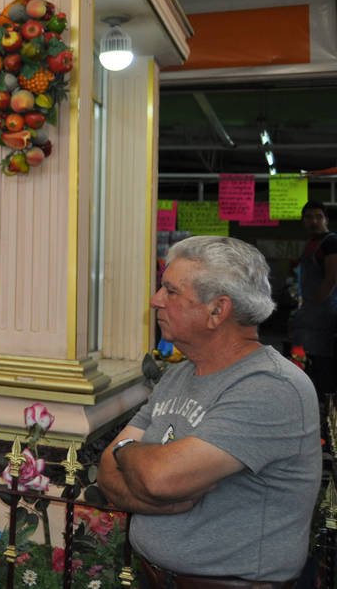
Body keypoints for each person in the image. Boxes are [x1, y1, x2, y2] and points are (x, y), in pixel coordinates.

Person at [98, 236, 319, 587]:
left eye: (171, 291)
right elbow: (107, 472)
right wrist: (147, 485)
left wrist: (126, 452)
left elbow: (159, 478)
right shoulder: (179, 375)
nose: (156, 300)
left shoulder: (271, 386)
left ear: (217, 310)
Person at [290, 200, 337, 398]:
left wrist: (314, 306)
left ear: (326, 219)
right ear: (303, 221)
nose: (314, 221)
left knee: (323, 367)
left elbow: (332, 279)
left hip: (324, 315)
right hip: (310, 317)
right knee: (303, 363)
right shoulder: (311, 244)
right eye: (309, 217)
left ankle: (327, 409)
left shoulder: (331, 242)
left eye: (319, 216)